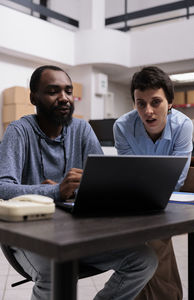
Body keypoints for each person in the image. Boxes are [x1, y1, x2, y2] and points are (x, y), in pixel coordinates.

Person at [0, 65, 158, 300]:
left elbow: (102, 181)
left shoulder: (82, 129)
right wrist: (56, 190)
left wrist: (93, 184)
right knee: (54, 273)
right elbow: (3, 187)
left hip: (76, 231)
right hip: (29, 235)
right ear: (33, 97)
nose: (64, 98)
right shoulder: (18, 131)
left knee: (144, 259)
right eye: (53, 91)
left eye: (68, 91)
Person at [113, 66, 193, 300]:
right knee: (145, 239)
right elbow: (128, 175)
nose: (148, 111)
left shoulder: (183, 126)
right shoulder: (123, 127)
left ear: (170, 102)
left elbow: (177, 178)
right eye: (140, 103)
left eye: (155, 102)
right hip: (135, 202)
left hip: (169, 200)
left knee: (151, 238)